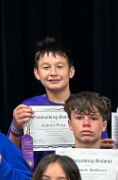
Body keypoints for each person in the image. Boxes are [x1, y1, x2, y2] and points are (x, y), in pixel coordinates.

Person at [8, 38, 105, 168]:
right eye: (46, 67)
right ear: (37, 73)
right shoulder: (28, 108)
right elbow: (10, 153)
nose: (53, 73)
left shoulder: (88, 107)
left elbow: (104, 151)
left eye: (59, 67)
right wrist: (17, 126)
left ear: (71, 71)